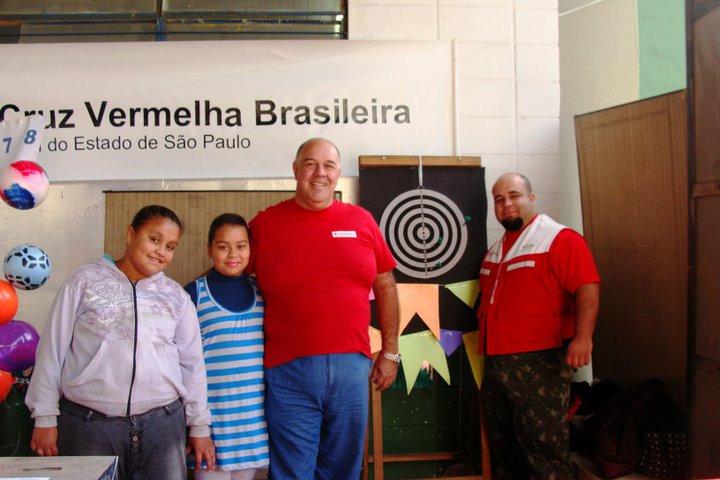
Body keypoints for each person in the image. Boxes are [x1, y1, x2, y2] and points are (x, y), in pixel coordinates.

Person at [26, 205, 215, 480]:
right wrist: (44, 417)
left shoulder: (176, 297)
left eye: (171, 246)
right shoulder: (84, 282)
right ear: (130, 234)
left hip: (162, 427)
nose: (161, 251)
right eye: (154, 239)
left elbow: (193, 366)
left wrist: (199, 426)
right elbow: (51, 352)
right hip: (88, 427)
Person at [249, 137, 401, 479]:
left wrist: (390, 351)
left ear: (338, 173)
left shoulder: (362, 221)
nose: (320, 173)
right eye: (310, 164)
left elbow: (386, 284)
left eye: (329, 166)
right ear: (295, 170)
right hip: (287, 372)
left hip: (352, 370)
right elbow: (233, 275)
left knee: (343, 470)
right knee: (291, 472)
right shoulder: (264, 225)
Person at [477, 173, 600, 480]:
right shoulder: (497, 249)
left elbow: (588, 286)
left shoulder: (559, 239)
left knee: (543, 447)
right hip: (496, 362)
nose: (507, 205)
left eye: (514, 196)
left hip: (540, 361)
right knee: (504, 447)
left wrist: (583, 338)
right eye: (499, 199)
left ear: (531, 198)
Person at [184, 213, 269, 480]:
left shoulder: (263, 291)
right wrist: (197, 428)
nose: (233, 254)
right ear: (210, 249)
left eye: (241, 246)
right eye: (223, 246)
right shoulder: (192, 294)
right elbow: (182, 365)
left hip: (254, 430)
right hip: (211, 431)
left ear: (250, 249)